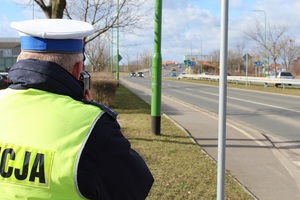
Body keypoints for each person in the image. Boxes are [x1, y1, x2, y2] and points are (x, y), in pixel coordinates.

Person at [0, 19, 154, 199]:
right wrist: (87, 112)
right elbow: (134, 189)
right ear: (78, 69)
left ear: (19, 59)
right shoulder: (93, 126)